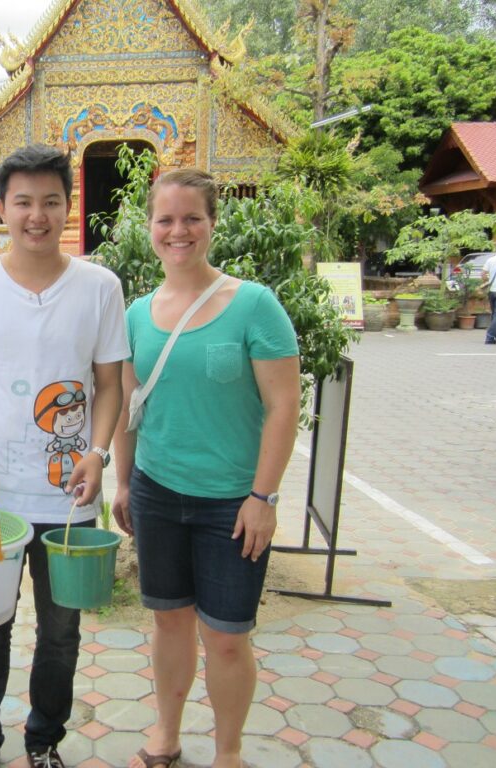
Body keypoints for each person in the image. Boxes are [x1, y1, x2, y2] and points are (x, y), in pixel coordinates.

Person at [0, 144, 128, 768]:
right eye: (23, 202)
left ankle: (44, 743)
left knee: (61, 633)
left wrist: (98, 452)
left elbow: (110, 385)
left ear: (69, 207)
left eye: (51, 202)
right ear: (3, 207)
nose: (36, 216)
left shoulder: (99, 287)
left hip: (68, 497)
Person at [111, 168, 301, 768]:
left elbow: (283, 406)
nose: (179, 231)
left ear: (213, 223)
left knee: (226, 638)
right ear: (150, 227)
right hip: (157, 493)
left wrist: (263, 498)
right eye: (165, 219)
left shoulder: (254, 304)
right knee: (169, 623)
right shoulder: (137, 313)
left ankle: (228, 752)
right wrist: (123, 481)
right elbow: (129, 406)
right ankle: (166, 734)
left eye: (192, 218)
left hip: (233, 504)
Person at [482, 251, 496, 344]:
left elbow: (483, 275)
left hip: (492, 290)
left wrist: (489, 281)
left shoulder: (491, 260)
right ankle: (490, 336)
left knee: (495, 314)